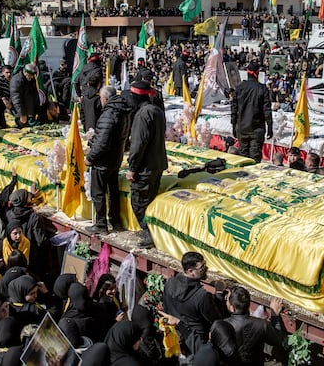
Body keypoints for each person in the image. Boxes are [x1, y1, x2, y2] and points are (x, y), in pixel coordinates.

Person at [126, 80, 168, 249]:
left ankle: (148, 232)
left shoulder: (143, 115)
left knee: (138, 201)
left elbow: (138, 144)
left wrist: (132, 168)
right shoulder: (156, 110)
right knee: (150, 199)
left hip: (145, 167)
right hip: (157, 164)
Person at [85, 86, 131, 234]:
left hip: (103, 161)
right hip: (115, 158)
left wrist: (90, 158)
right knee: (113, 191)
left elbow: (102, 142)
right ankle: (115, 221)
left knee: (98, 193)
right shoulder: (123, 111)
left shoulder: (108, 114)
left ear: (104, 98)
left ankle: (100, 224)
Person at [162, 251, 224, 356]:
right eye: (202, 267)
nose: (206, 269)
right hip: (195, 342)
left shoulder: (170, 282)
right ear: (191, 271)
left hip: (176, 336)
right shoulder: (201, 296)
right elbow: (216, 320)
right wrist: (219, 293)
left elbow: (166, 307)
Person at [221, 285, 287, 366]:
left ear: (232, 308)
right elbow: (277, 340)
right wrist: (275, 315)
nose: (225, 299)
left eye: (226, 299)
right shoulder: (260, 324)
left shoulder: (222, 326)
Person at [231, 61, 273, 163]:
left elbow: (234, 109)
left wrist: (233, 126)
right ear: (257, 73)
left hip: (242, 128)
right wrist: (270, 127)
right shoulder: (262, 89)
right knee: (254, 159)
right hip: (257, 129)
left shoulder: (239, 88)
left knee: (243, 158)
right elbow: (267, 111)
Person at [10, 63, 40, 128]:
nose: (32, 77)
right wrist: (22, 114)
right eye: (30, 75)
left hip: (30, 112)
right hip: (21, 113)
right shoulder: (17, 81)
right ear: (25, 72)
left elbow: (35, 94)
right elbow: (16, 99)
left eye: (33, 75)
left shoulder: (31, 79)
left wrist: (37, 110)